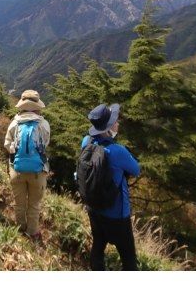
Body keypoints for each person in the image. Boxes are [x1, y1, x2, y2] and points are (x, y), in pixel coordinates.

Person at [80, 103, 141, 271]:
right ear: (108, 128)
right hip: (118, 215)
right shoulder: (117, 151)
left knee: (98, 247)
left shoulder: (86, 141)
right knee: (129, 259)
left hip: (94, 208)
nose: (118, 123)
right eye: (115, 121)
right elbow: (136, 170)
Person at [4, 89, 50, 240]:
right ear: (37, 106)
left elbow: (7, 144)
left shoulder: (14, 123)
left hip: (17, 170)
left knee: (20, 203)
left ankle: (20, 229)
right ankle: (32, 232)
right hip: (38, 171)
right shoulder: (44, 124)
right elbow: (45, 144)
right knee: (34, 205)